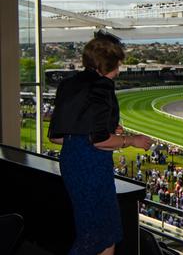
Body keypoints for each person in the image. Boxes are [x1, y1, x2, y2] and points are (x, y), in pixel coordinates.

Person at [48, 30, 154, 255]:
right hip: (92, 166)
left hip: (72, 162)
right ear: (110, 65)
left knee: (93, 231)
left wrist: (103, 130)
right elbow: (98, 141)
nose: (118, 71)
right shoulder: (102, 87)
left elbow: (57, 136)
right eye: (118, 65)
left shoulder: (68, 84)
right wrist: (131, 140)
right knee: (104, 236)